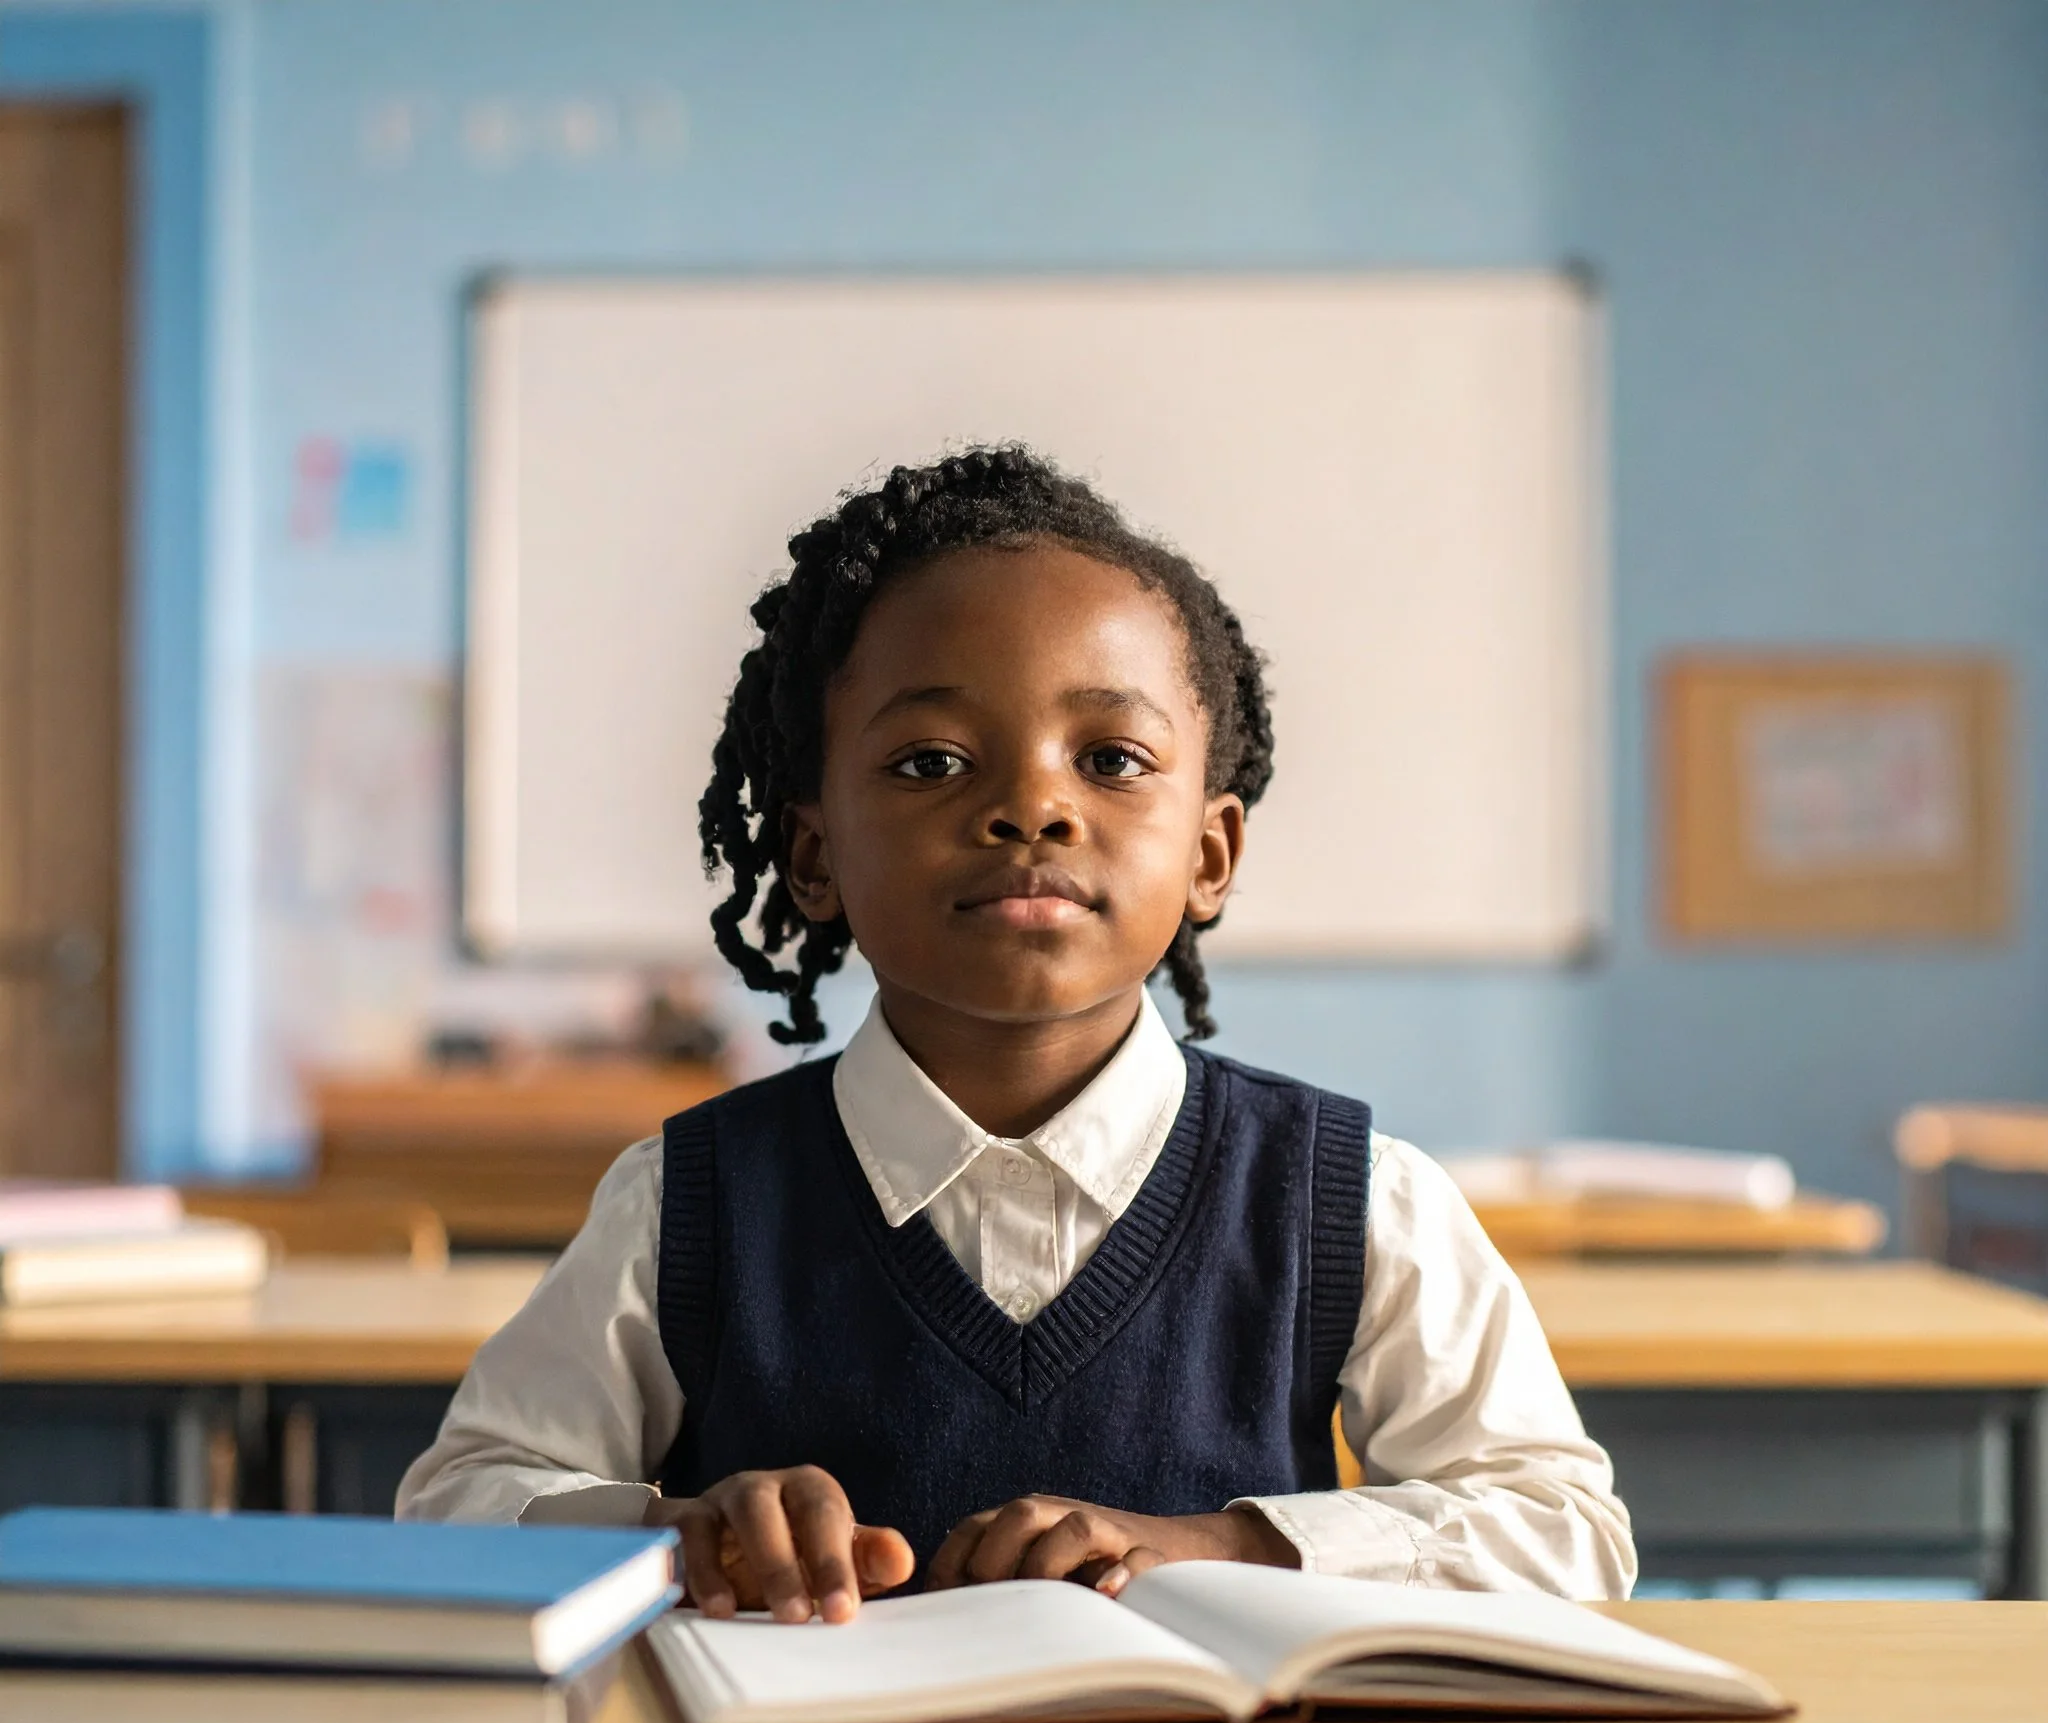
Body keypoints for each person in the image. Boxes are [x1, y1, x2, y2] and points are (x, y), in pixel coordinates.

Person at [398, 447, 1633, 1620]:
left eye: (1109, 757)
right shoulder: (692, 1204)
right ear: (813, 855)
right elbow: (455, 1506)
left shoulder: (1344, 1199)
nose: (1031, 804)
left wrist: (1219, 1543)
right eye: (932, 760)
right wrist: (673, 1528)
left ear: (1209, 853)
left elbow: (1566, 1531)